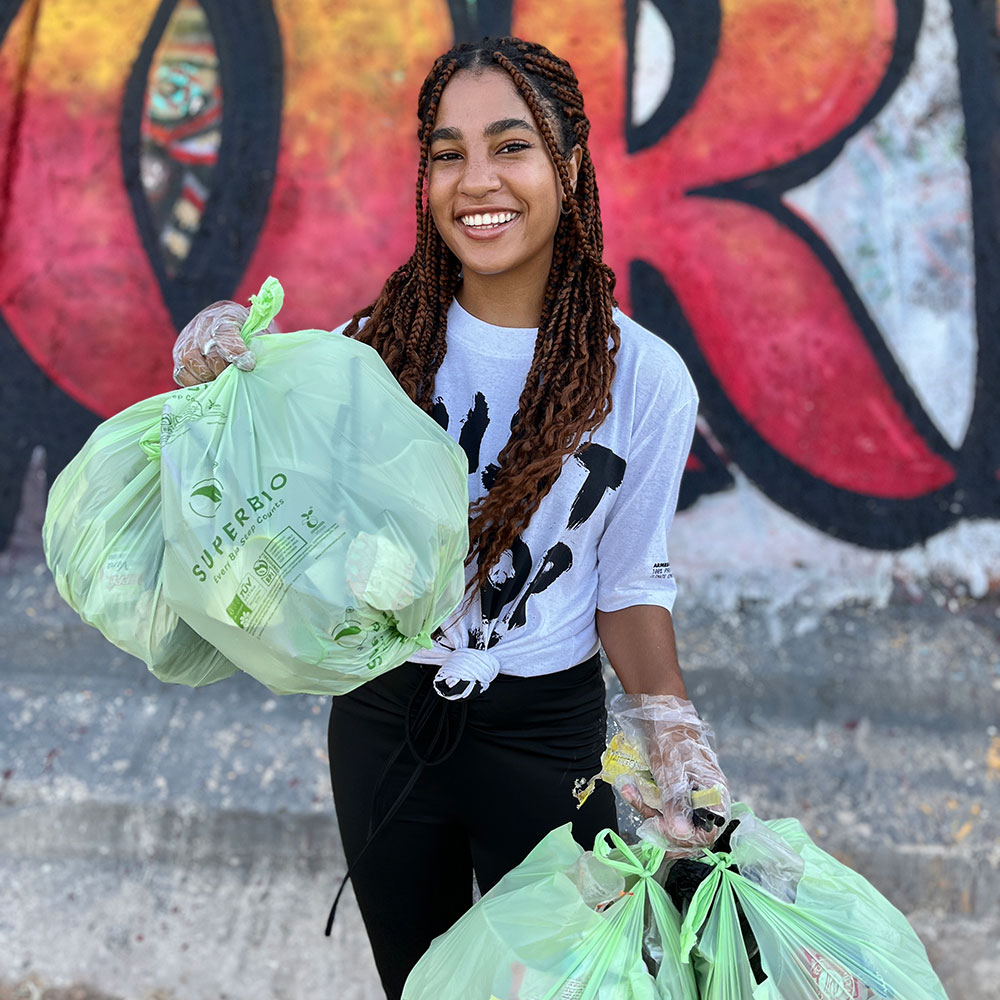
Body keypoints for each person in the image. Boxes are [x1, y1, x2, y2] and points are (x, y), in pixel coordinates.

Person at [172, 36, 731, 1000]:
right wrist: (228, 396)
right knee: (421, 987)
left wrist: (671, 726)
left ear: (569, 165)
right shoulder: (364, 352)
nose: (478, 180)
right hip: (385, 730)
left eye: (511, 146)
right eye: (447, 152)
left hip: (546, 742)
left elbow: (630, 580)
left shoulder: (644, 377)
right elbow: (280, 528)